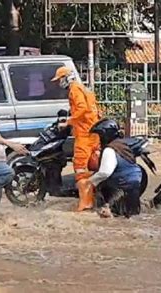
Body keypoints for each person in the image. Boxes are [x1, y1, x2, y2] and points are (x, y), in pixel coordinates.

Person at [51, 66, 101, 212]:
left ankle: (86, 203)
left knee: (80, 168)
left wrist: (68, 121)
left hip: (84, 134)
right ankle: (93, 198)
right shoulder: (83, 88)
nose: (59, 83)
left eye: (60, 79)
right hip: (93, 132)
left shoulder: (74, 90)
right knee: (93, 164)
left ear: (66, 77)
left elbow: (82, 108)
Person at [79, 119, 142, 218]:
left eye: (100, 136)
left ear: (105, 135)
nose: (99, 140)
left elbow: (105, 173)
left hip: (121, 189)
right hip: (134, 186)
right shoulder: (121, 144)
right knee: (132, 217)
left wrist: (88, 182)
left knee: (107, 217)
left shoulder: (110, 149)